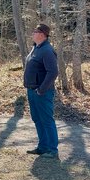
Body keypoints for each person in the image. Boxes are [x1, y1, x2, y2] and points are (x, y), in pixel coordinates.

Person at [23, 24, 59, 159]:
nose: (33, 33)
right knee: (37, 119)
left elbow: (53, 72)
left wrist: (42, 89)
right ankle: (43, 147)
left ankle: (52, 150)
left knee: (47, 120)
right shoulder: (35, 48)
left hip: (42, 92)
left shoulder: (47, 50)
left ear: (43, 34)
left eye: (35, 31)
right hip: (32, 91)